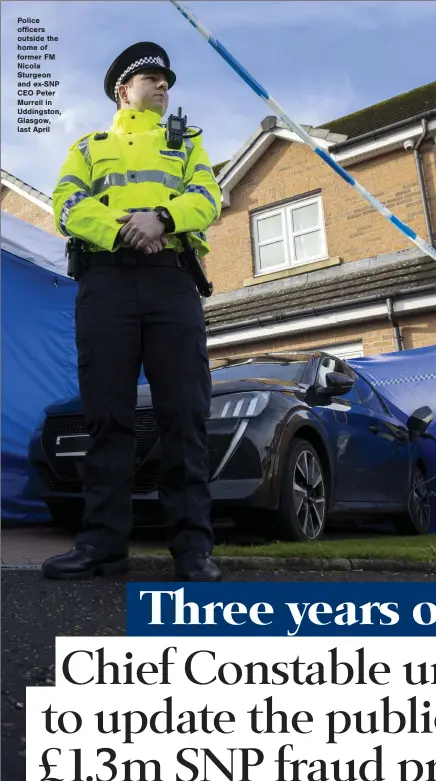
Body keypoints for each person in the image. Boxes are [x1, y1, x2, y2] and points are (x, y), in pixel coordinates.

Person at [42, 42, 222, 582]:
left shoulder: (188, 143)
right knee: (107, 418)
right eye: (151, 77)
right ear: (124, 90)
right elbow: (66, 206)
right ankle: (102, 546)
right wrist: (126, 228)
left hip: (172, 282)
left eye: (167, 79)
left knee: (184, 415)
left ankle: (193, 550)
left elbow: (209, 198)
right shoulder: (89, 147)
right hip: (107, 283)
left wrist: (162, 219)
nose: (163, 85)